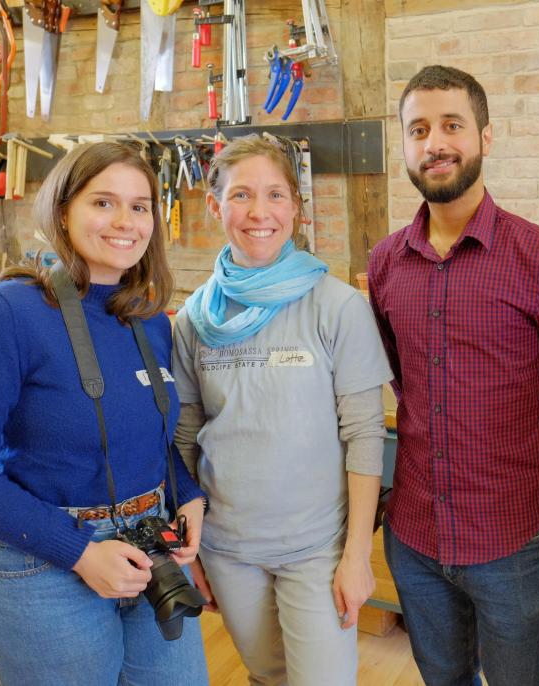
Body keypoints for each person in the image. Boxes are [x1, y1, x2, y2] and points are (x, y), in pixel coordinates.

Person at [0, 142, 209, 685]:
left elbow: (145, 436)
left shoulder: (148, 318)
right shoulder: (3, 313)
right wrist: (80, 552)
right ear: (61, 211)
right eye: (103, 203)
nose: (126, 221)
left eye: (141, 205)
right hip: (42, 565)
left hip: (149, 548)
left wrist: (187, 493)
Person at [368, 65, 539, 686]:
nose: (435, 143)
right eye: (418, 129)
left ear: (486, 138)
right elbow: (400, 376)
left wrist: (515, 436)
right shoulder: (385, 262)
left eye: (452, 125)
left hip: (511, 539)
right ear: (404, 146)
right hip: (414, 534)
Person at [171, 135, 393, 686]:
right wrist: (190, 549)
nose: (259, 212)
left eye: (275, 195)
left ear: (296, 206)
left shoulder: (337, 306)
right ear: (215, 206)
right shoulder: (194, 319)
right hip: (228, 547)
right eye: (242, 195)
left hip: (316, 549)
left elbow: (366, 435)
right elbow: (185, 433)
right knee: (267, 677)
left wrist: (357, 556)